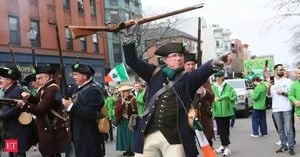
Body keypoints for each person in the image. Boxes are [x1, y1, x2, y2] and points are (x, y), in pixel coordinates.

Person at [122, 22, 230, 157]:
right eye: (174, 56)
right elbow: (132, 60)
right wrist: (129, 35)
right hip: (148, 133)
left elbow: (203, 71)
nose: (178, 58)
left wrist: (217, 61)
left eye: (181, 56)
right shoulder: (153, 73)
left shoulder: (189, 79)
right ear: (165, 60)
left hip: (175, 137)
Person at [15, 65, 68, 157]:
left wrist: (24, 105)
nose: (37, 81)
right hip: (46, 127)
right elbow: (38, 101)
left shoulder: (51, 89)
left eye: (39, 78)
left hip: (50, 127)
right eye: (37, 78)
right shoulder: (46, 88)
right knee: (47, 152)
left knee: (49, 152)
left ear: (47, 77)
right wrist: (30, 97)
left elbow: (41, 110)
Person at [61, 63, 105, 157]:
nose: (73, 77)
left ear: (84, 76)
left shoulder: (94, 91)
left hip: (88, 138)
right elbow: (60, 94)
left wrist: (71, 106)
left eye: (76, 74)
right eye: (73, 74)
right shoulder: (75, 88)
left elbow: (89, 115)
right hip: (75, 136)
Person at [0, 67, 37, 157]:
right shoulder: (10, 90)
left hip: (17, 133)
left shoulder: (17, 90)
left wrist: (1, 115)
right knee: (12, 154)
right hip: (11, 132)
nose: (0, 80)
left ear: (9, 80)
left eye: (1, 78)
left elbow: (15, 110)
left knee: (18, 155)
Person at [184, 53, 215, 146]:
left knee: (207, 147)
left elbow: (211, 97)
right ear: (184, 65)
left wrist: (203, 92)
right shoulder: (179, 79)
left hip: (202, 117)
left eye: (193, 64)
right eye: (188, 64)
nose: (191, 67)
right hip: (185, 117)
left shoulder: (203, 78)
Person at [269, 64, 295, 155]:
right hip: (276, 108)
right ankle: (284, 145)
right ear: (275, 71)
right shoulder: (271, 81)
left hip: (286, 107)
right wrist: (268, 86)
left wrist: (283, 93)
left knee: (289, 129)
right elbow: (269, 95)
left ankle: (291, 146)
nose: (282, 71)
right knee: (280, 129)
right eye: (280, 69)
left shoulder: (288, 81)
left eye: (282, 69)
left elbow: (292, 94)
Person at [211, 71, 237, 156]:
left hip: (227, 111)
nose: (217, 78)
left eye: (219, 76)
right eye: (216, 76)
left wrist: (221, 97)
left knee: (225, 130)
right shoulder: (213, 87)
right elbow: (211, 97)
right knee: (221, 130)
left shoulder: (228, 87)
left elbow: (233, 96)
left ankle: (226, 147)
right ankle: (224, 146)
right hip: (217, 112)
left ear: (223, 77)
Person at [115, 85, 137, 156]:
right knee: (123, 136)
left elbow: (135, 110)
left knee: (130, 136)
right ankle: (127, 150)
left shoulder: (133, 98)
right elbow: (117, 110)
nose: (126, 93)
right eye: (124, 92)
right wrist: (122, 103)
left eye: (127, 91)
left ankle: (131, 150)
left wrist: (130, 106)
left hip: (129, 120)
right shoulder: (119, 100)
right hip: (122, 120)